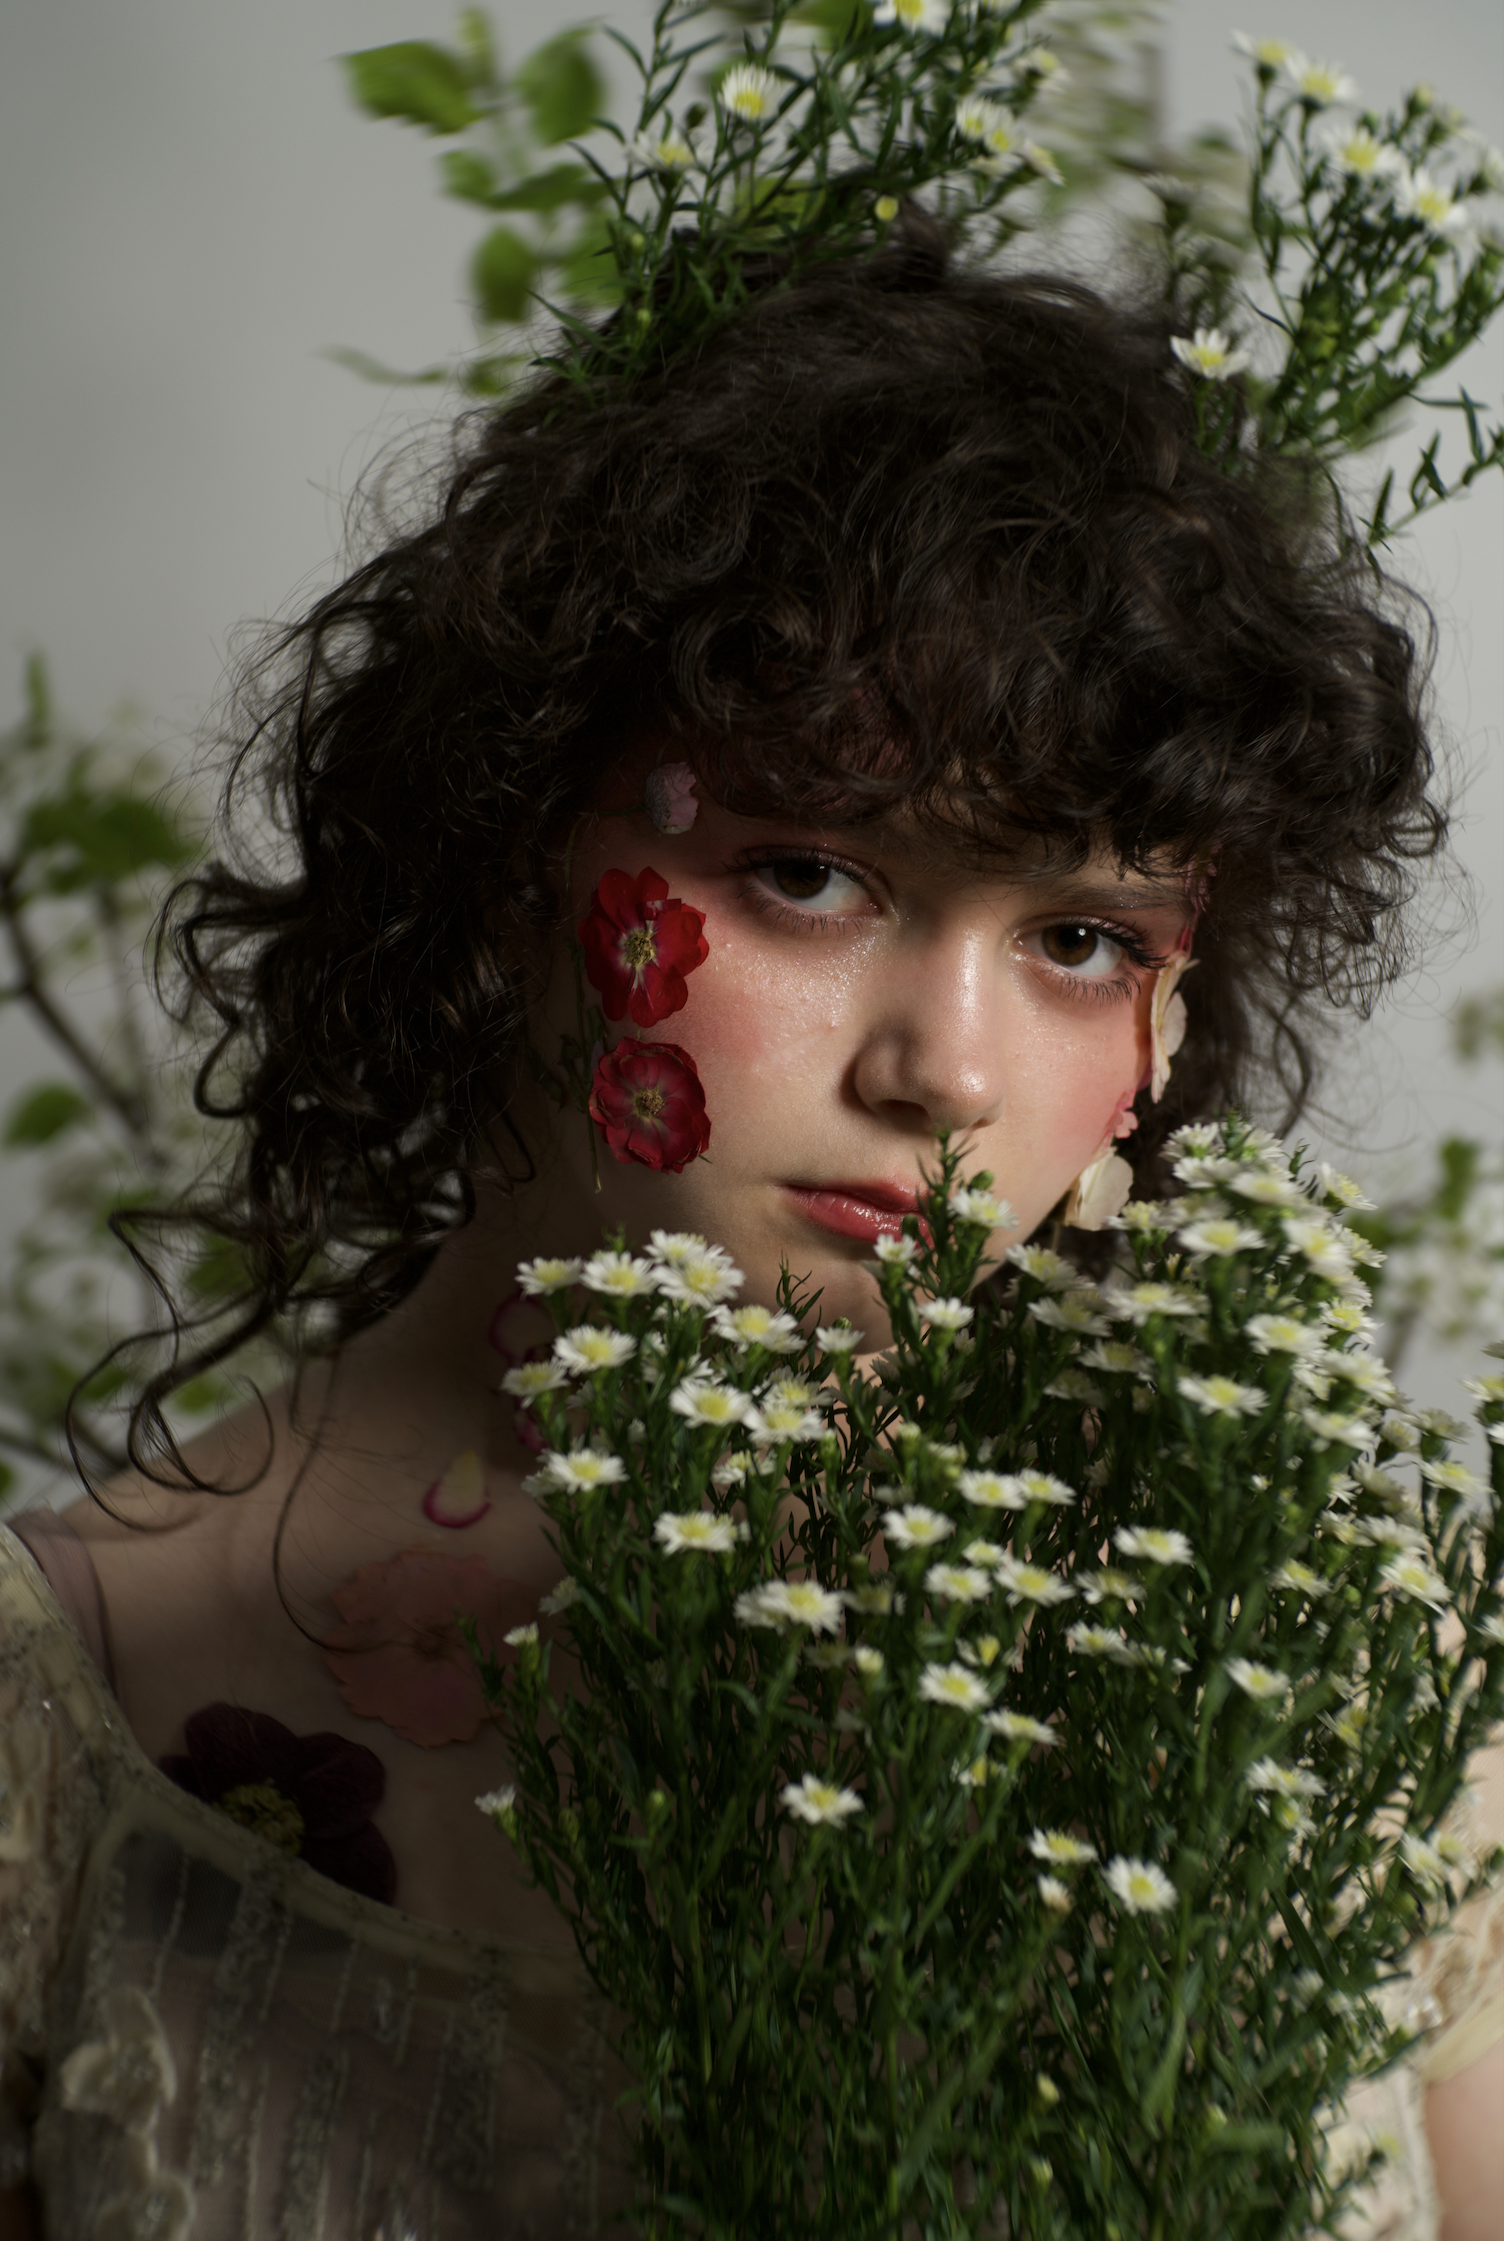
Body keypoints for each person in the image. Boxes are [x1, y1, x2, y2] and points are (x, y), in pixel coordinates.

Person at [1, 232, 1499, 2240]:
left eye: (1076, 940)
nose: (944, 1073)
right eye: (806, 872)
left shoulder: (1331, 1675)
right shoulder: (66, 1724)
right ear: (497, 850)